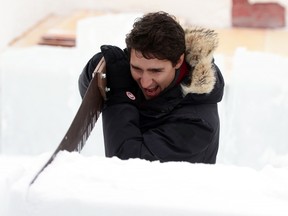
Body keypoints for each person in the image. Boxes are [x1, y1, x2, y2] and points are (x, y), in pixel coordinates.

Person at [78, 11, 224, 164]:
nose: (145, 82)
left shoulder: (197, 124)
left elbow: (126, 163)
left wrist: (120, 95)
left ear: (178, 61)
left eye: (156, 71)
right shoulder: (140, 70)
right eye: (137, 69)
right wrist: (98, 68)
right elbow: (90, 94)